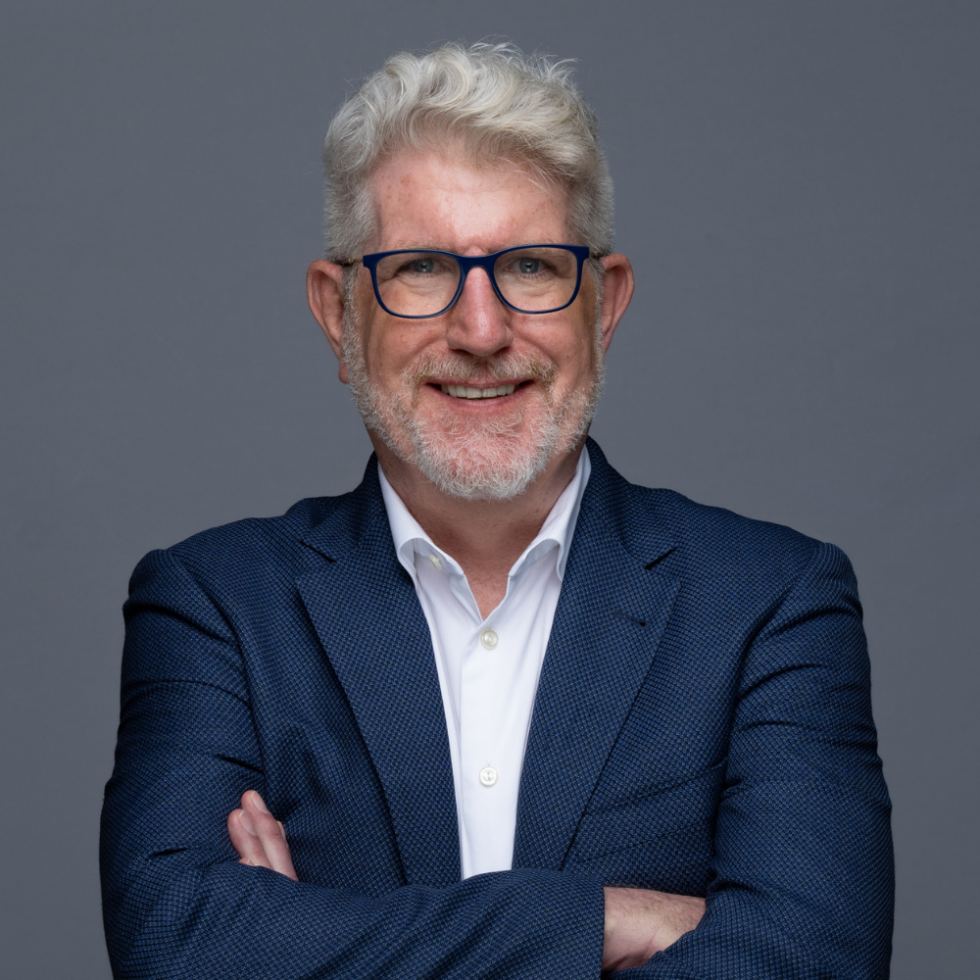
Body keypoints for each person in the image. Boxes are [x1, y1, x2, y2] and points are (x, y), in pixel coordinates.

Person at [100, 43, 893, 978]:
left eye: (529, 266)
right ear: (338, 314)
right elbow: (177, 947)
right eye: (422, 268)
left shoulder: (773, 603)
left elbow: (813, 961)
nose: (481, 330)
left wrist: (309, 941)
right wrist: (600, 922)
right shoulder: (215, 608)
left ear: (604, 305)